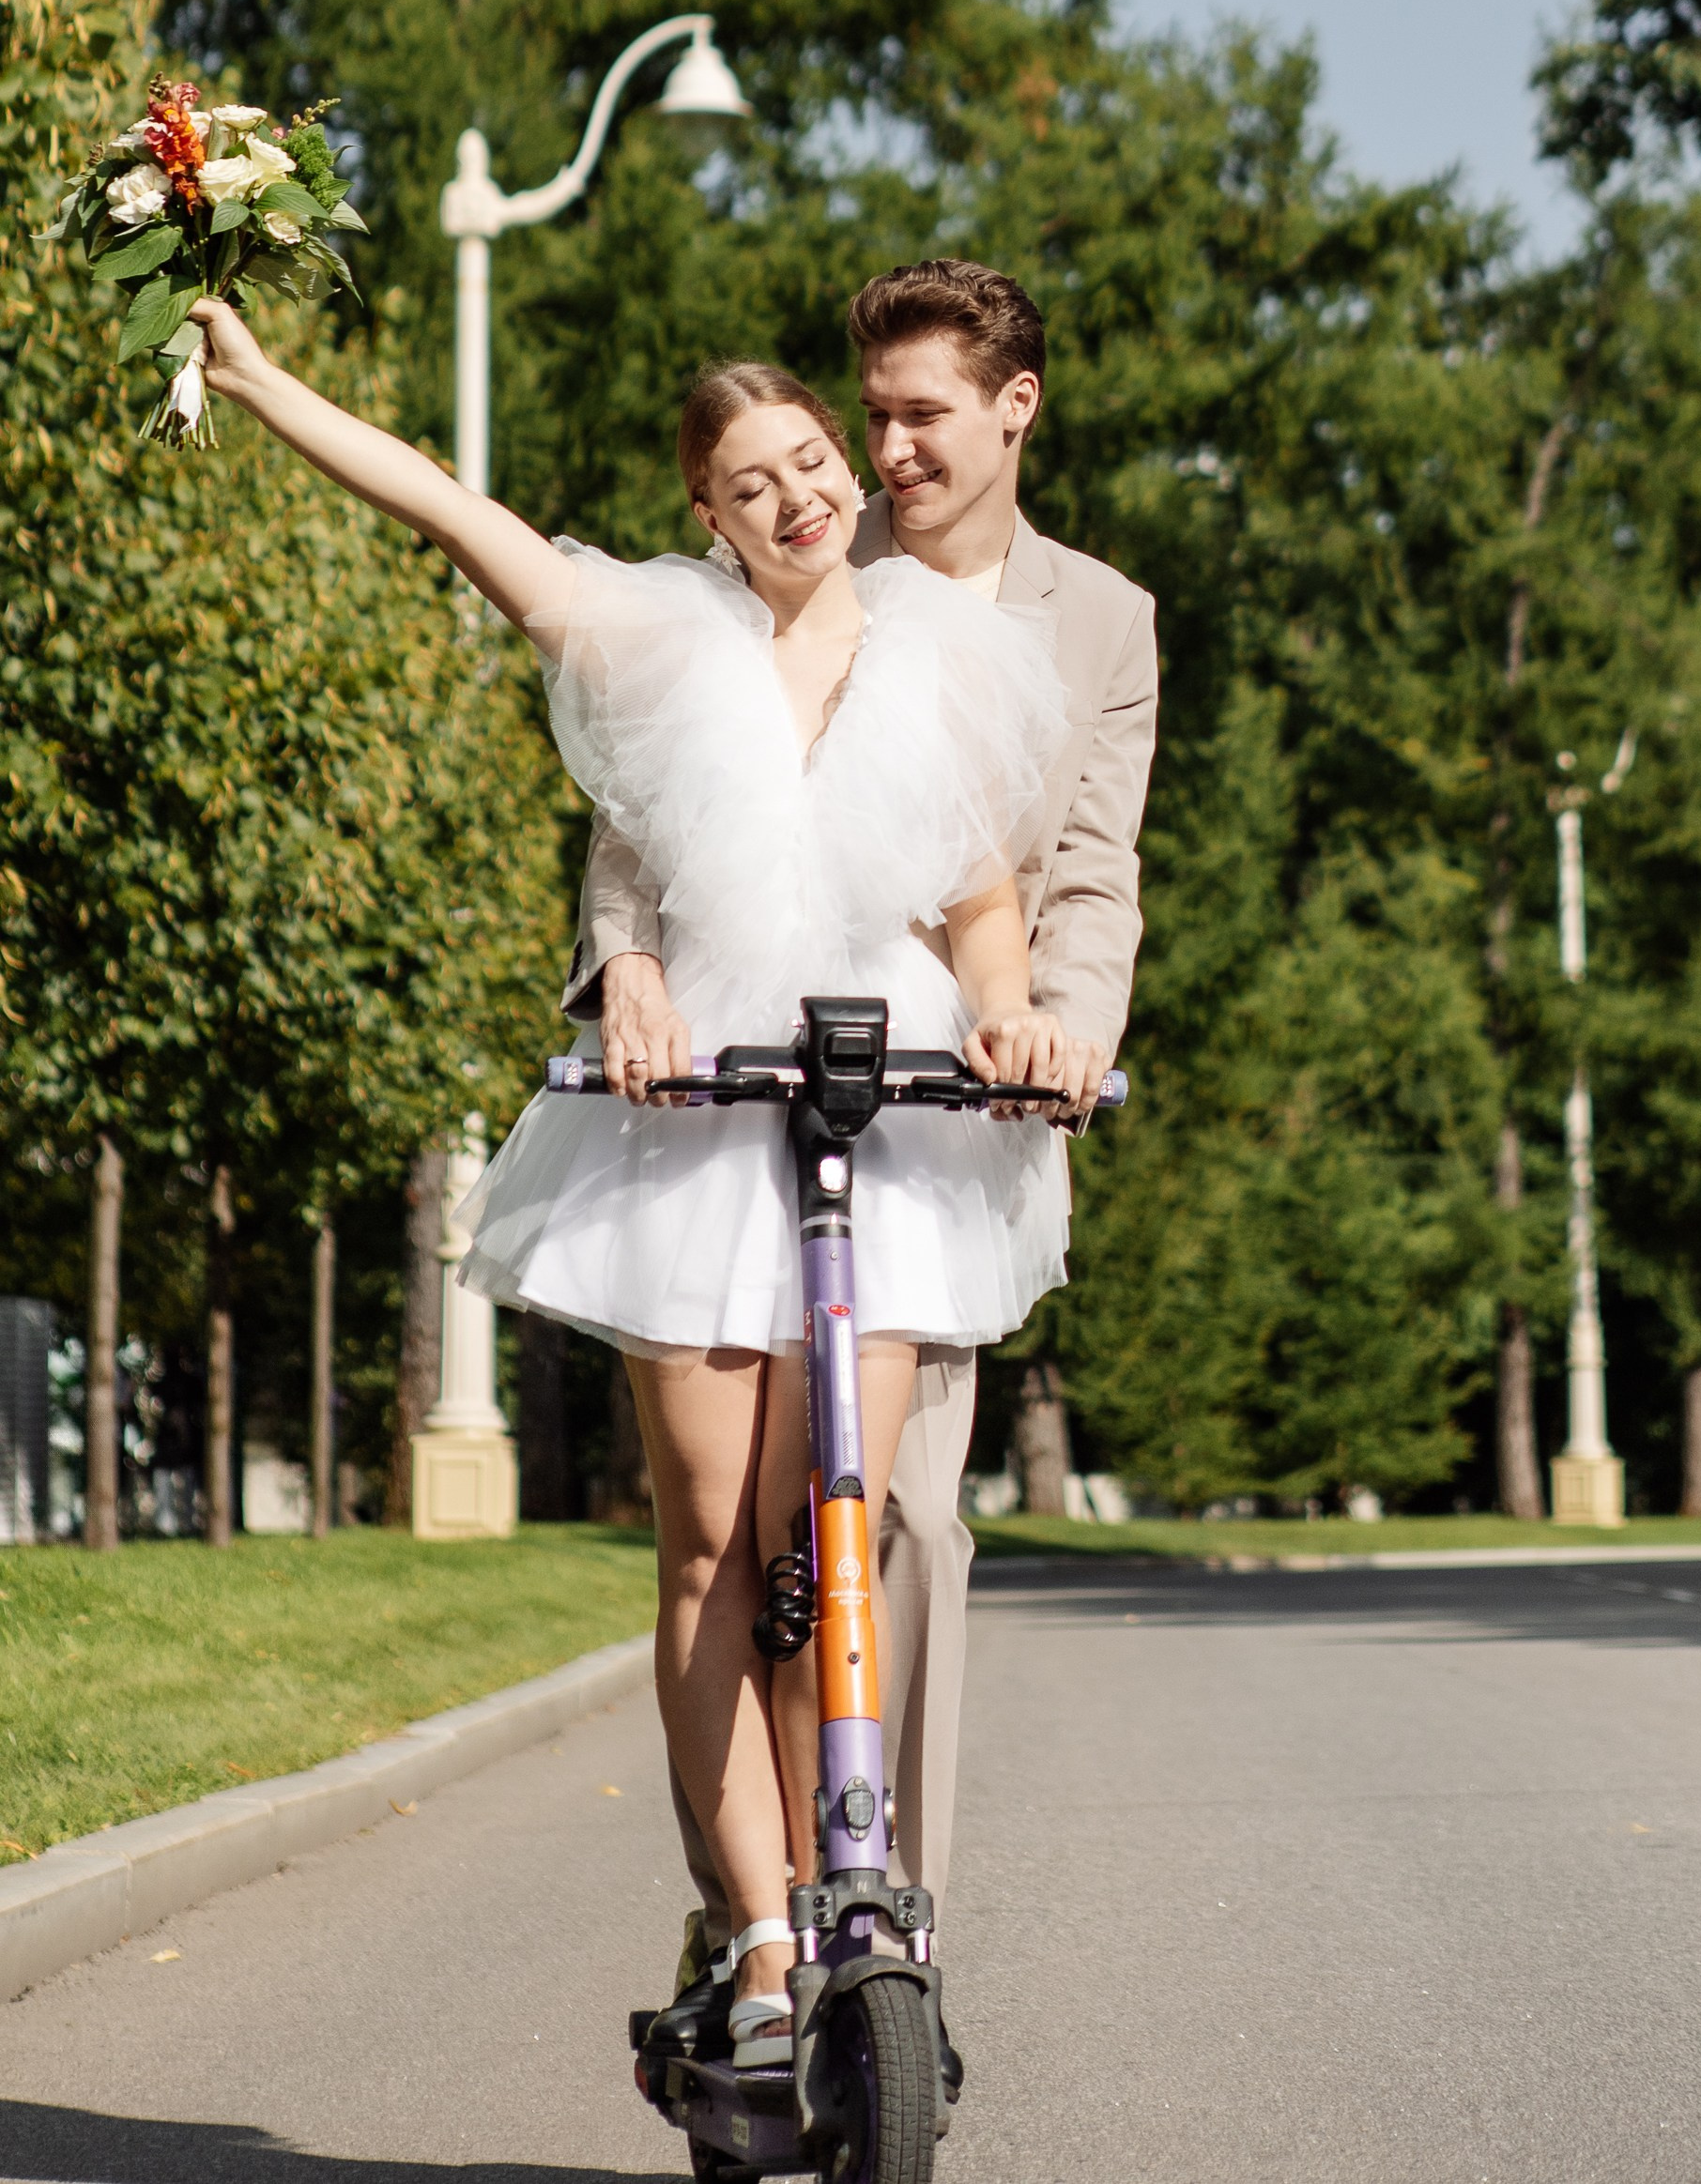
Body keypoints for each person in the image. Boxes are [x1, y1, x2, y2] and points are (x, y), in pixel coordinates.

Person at [181, 290, 1103, 2073]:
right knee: (711, 1555)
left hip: (882, 1120)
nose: (799, 499)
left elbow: (984, 909)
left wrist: (1007, 1027)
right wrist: (259, 377)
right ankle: (759, 1940)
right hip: (698, 1121)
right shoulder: (657, 642)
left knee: (825, 1542)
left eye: (814, 462)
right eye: (752, 484)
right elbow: (458, 513)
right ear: (706, 512)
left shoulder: (947, 648)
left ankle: (851, 1882)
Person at [569, 259, 1158, 2026]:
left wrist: (1063, 1025)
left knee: (900, 1519)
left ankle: (882, 1924)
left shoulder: (1099, 619)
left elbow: (1089, 872)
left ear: (1014, 408)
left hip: (946, 1110)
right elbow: (639, 839)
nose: (885, 451)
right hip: (750, 1099)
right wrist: (628, 975)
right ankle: (752, 1918)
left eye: (920, 417)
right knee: (740, 1546)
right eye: (872, 414)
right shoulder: (804, 563)